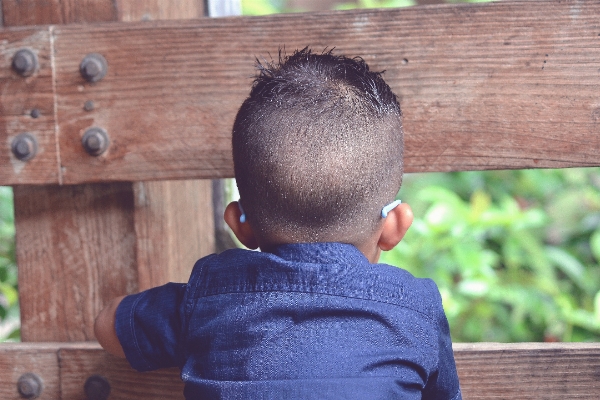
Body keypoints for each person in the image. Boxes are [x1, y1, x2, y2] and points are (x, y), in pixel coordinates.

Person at [95, 47, 462, 400]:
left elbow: (108, 328)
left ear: (240, 225)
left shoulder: (210, 294)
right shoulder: (415, 307)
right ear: (396, 225)